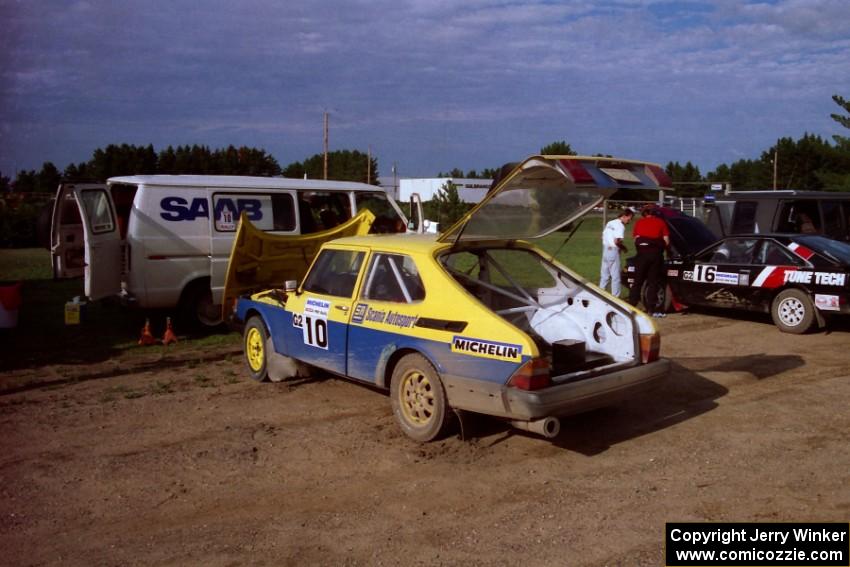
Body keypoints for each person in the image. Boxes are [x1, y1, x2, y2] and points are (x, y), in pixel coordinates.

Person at [628, 204, 670, 317]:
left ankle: (632, 305)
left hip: (642, 254)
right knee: (653, 282)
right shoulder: (661, 222)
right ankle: (651, 308)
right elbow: (666, 241)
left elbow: (636, 239)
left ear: (644, 213)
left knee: (637, 281)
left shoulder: (639, 223)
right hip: (655, 254)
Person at [599, 208, 634, 297]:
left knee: (604, 275)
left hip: (606, 250)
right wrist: (624, 248)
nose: (629, 220)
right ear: (624, 216)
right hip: (613, 251)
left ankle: (600, 295)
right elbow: (617, 241)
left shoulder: (610, 223)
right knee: (616, 277)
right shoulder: (620, 226)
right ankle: (615, 297)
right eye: (629, 218)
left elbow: (602, 236)